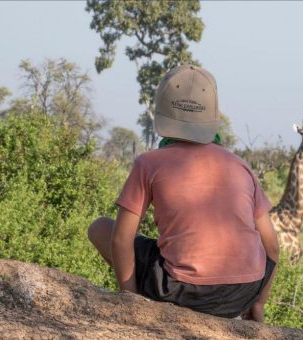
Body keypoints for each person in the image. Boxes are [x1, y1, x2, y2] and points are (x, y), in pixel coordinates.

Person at [87, 64, 279, 322]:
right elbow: (272, 248)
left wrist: (130, 300)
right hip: (242, 293)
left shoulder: (148, 163)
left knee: (99, 228)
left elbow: (121, 240)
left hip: (180, 289)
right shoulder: (239, 165)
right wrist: (258, 303)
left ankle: (139, 300)